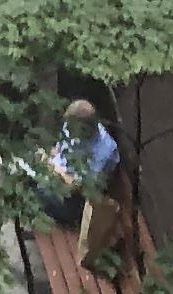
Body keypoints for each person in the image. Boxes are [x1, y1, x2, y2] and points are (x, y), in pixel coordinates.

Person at [38, 96, 121, 231]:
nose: (68, 129)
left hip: (75, 200)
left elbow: (80, 188)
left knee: (31, 189)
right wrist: (48, 155)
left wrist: (52, 168)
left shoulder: (104, 151)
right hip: (55, 175)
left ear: (84, 129)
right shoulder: (72, 124)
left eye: (71, 128)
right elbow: (59, 148)